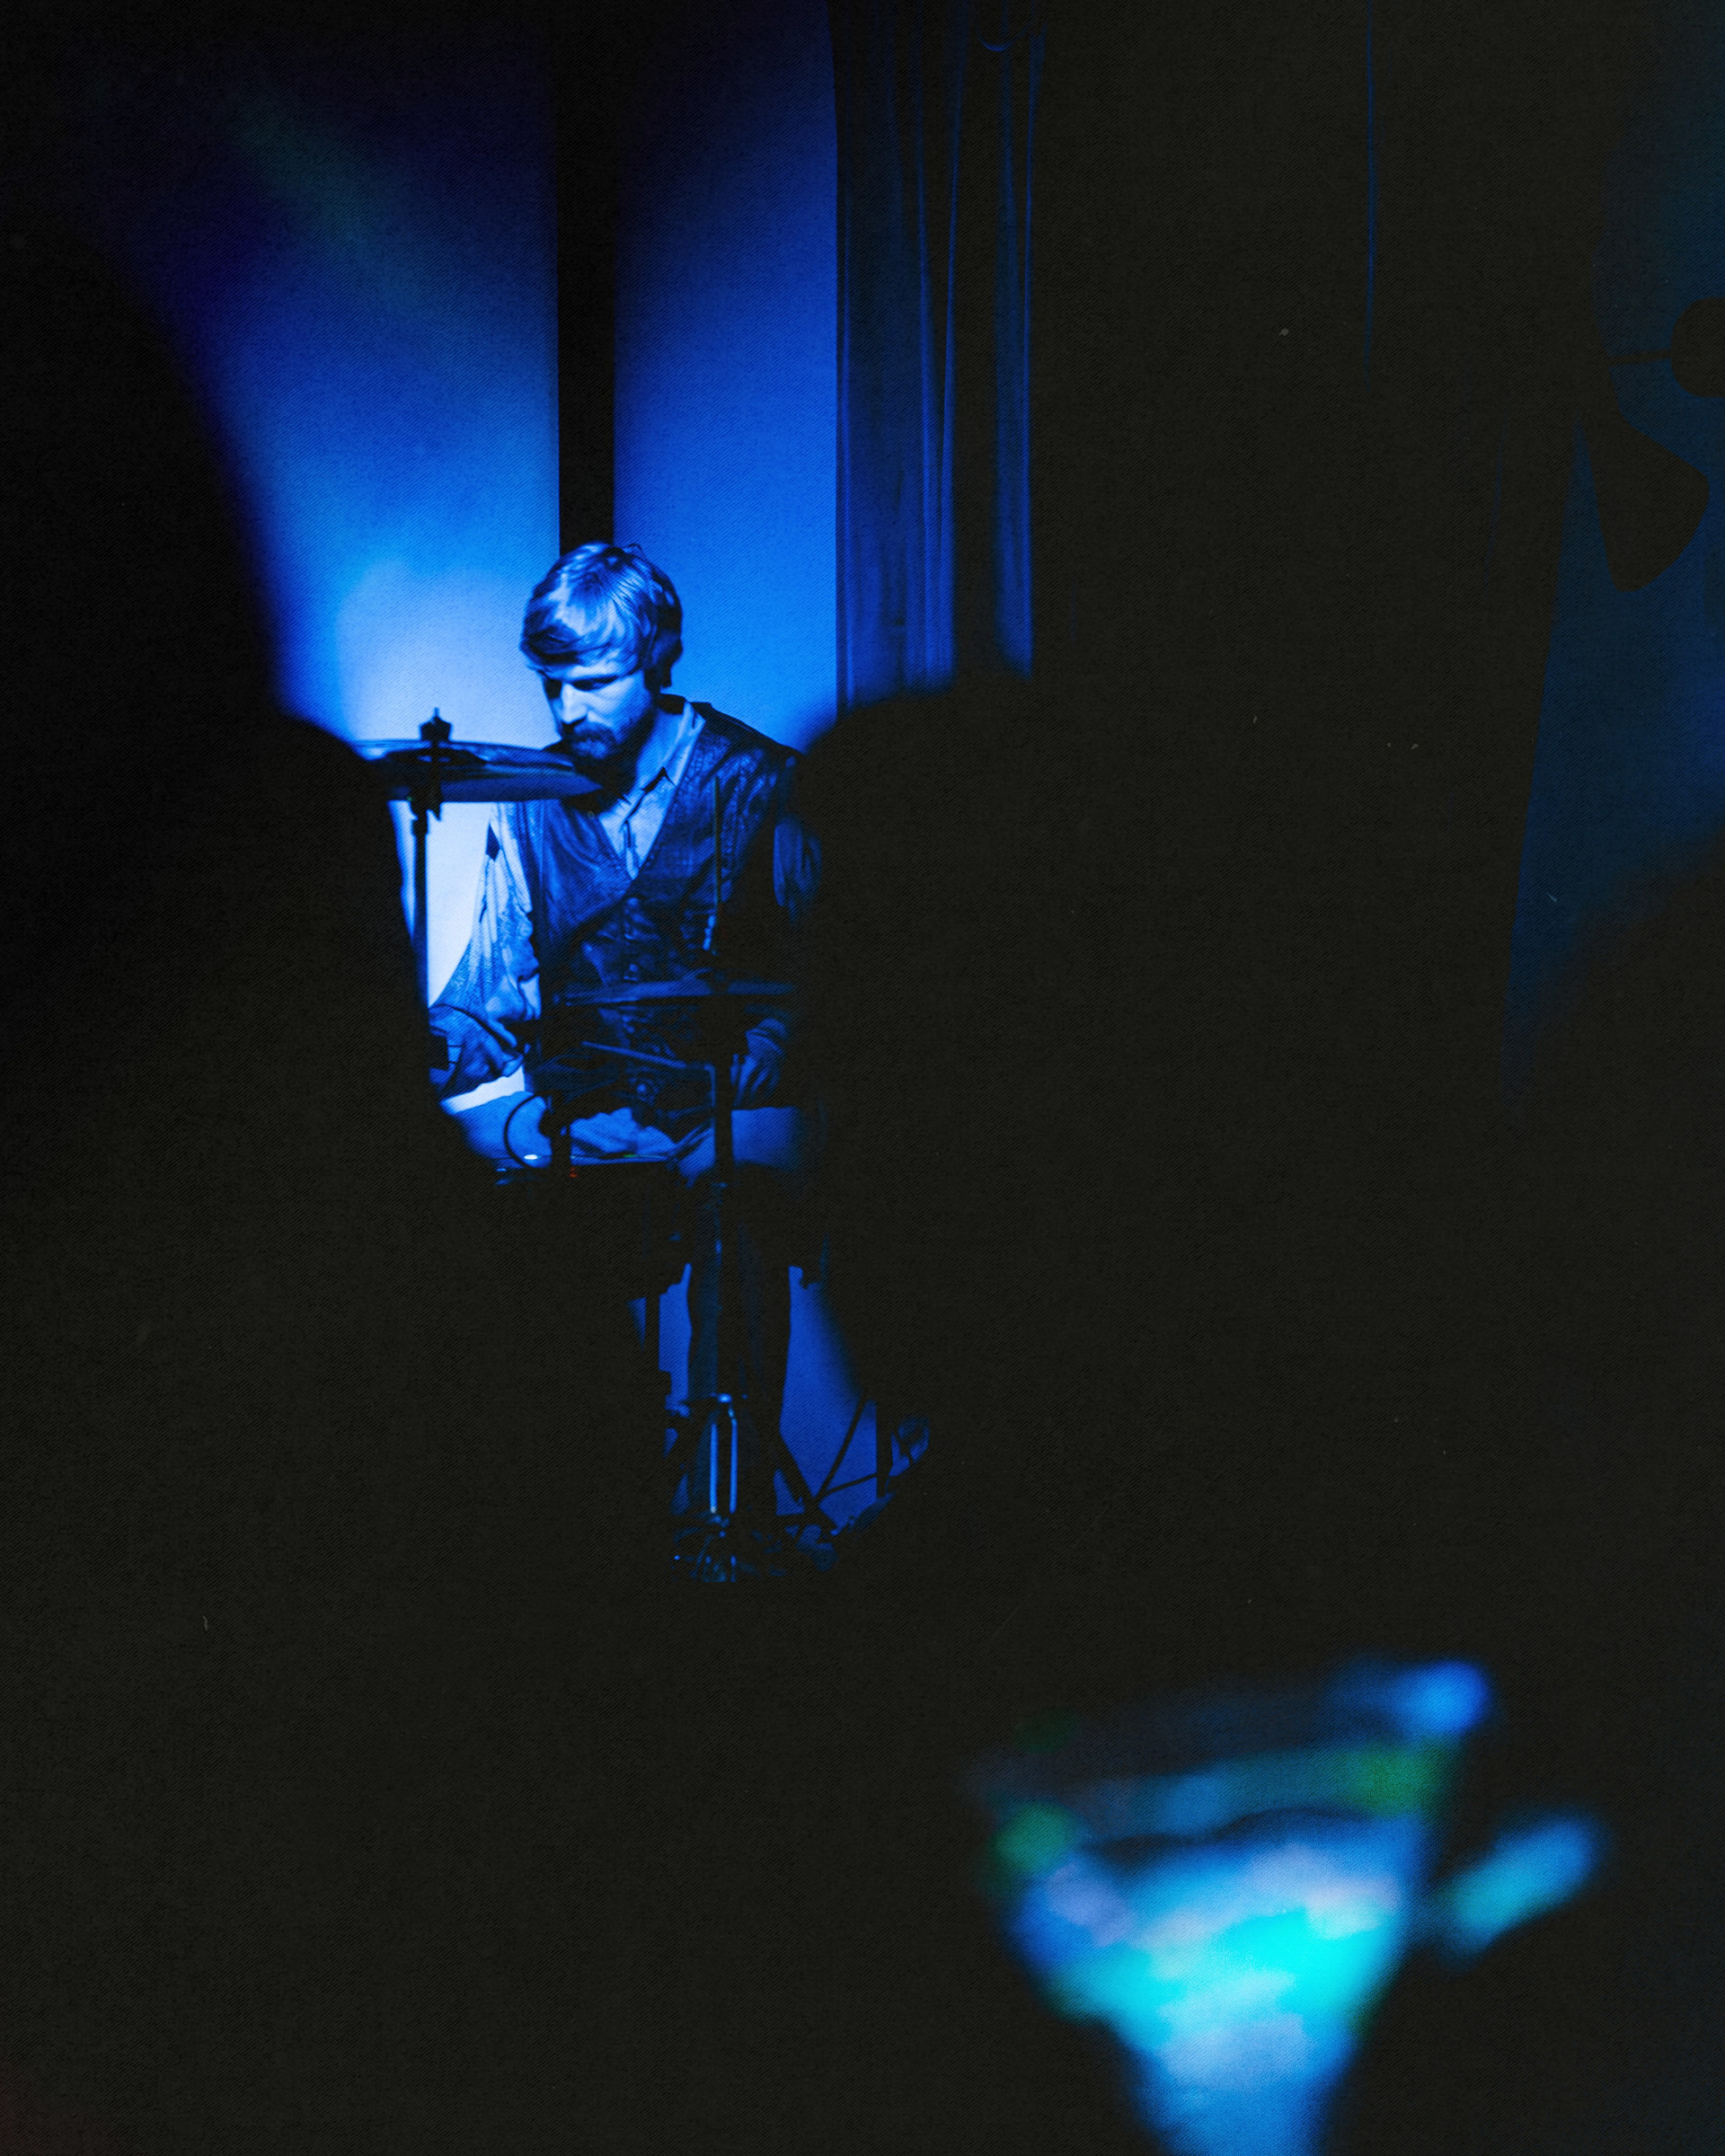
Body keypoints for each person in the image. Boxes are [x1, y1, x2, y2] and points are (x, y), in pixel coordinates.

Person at [429, 543, 818, 1500]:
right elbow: (493, 997)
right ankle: (580, 1514)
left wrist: (770, 1050)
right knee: (477, 1203)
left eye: (593, 684)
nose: (567, 712)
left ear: (659, 659)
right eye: (551, 686)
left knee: (736, 1202)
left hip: (724, 1112)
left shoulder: (763, 783)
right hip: (588, 1118)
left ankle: (732, 1514)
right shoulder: (528, 806)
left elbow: (835, 977)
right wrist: (428, 1047)